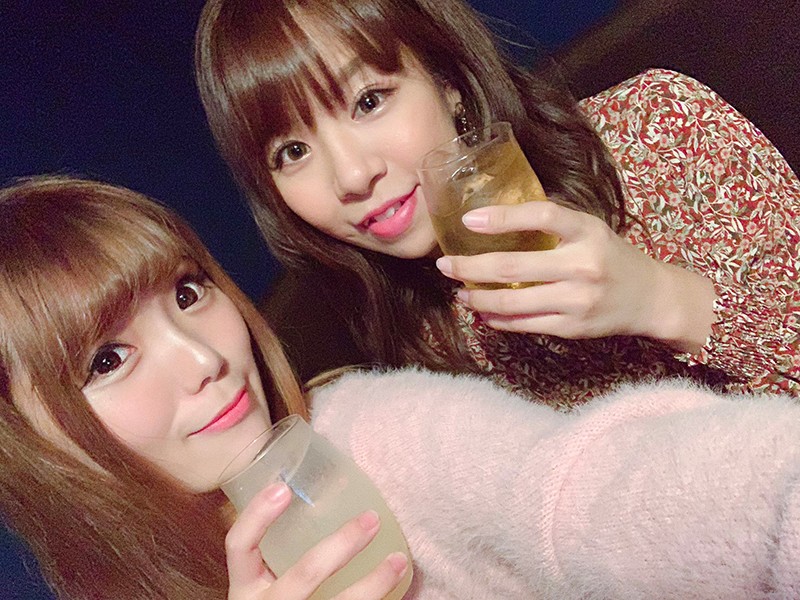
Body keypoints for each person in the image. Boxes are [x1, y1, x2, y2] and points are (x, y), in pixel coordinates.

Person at [4, 175, 800, 600]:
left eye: (187, 293)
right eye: (107, 359)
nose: (202, 358)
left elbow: (584, 492)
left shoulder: (365, 437)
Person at [195, 0, 800, 405]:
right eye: (292, 151)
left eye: (369, 101)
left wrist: (664, 300)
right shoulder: (408, 335)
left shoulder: (658, 131)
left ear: (448, 85)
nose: (352, 175)